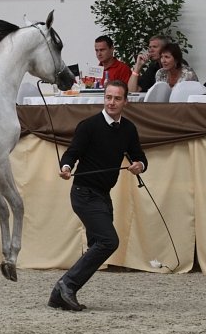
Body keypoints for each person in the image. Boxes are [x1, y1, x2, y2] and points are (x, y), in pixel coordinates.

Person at [49, 80, 147, 311]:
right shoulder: (89, 126)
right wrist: (66, 168)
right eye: (108, 97)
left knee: (97, 245)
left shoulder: (128, 129)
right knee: (108, 241)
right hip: (83, 193)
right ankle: (67, 284)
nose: (112, 102)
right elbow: (72, 153)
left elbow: (139, 155)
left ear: (125, 101)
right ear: (104, 98)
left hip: (103, 195)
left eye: (117, 98)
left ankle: (58, 296)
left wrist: (139, 165)